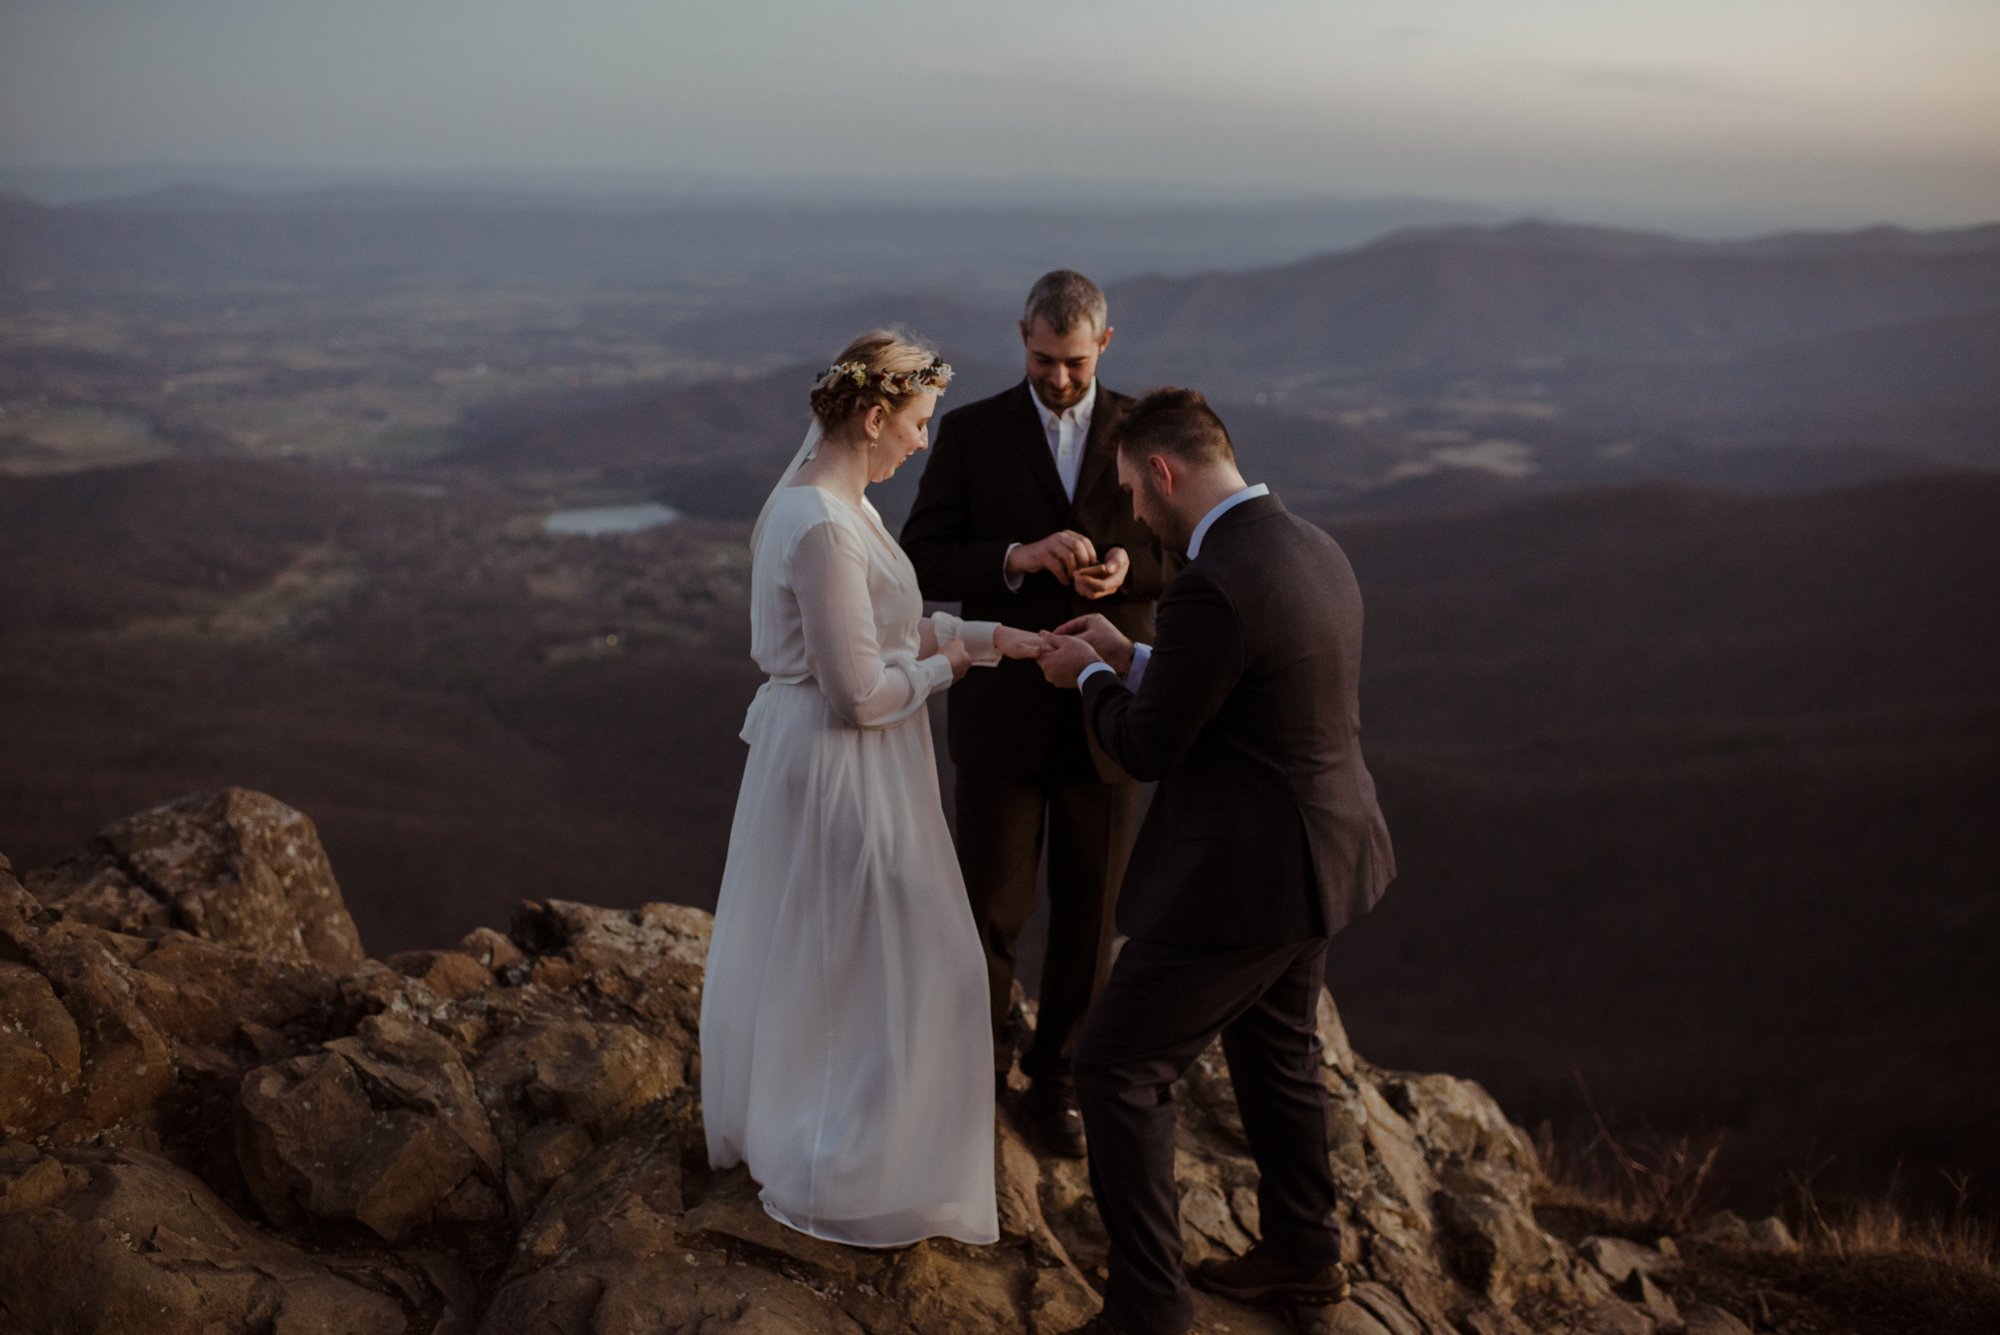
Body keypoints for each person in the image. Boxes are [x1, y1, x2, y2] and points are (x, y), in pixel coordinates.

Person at [1035, 389, 1396, 1334]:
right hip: (1328, 857)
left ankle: (1150, 1308)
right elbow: (1238, 694)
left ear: (1162, 472)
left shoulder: (1212, 580)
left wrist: (1095, 675)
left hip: (1245, 880)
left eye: (1132, 492)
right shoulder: (1310, 547)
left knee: (1117, 1067)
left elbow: (1148, 749)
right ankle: (1304, 1255)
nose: (1135, 514)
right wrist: (1134, 652)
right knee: (1278, 1051)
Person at [699, 331, 1046, 1248]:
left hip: (849, 758)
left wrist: (992, 639)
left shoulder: (843, 504)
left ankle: (865, 1144)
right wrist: (947, 675)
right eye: (919, 423)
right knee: (905, 958)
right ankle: (840, 1163)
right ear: (873, 414)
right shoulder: (818, 521)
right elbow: (859, 693)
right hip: (839, 765)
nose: (924, 442)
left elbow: (888, 628)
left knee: (856, 955)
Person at [901, 270, 1171, 1158]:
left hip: (1109, 719)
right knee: (987, 912)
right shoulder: (974, 433)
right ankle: (969, 1085)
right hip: (1003, 717)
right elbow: (922, 557)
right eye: (1042, 358)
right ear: (1021, 336)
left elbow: (1195, 554)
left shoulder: (1145, 431)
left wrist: (1130, 567)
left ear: (1107, 344)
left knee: (1091, 921)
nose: (1057, 376)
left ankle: (1056, 1084)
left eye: (1075, 361)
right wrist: (1017, 557)